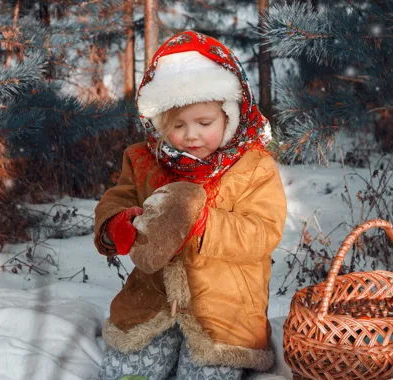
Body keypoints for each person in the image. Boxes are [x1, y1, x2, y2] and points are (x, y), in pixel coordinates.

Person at [94, 30, 287, 380]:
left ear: (229, 114)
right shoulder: (143, 160)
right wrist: (115, 223)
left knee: (207, 371)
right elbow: (118, 197)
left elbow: (263, 231)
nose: (191, 135)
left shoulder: (253, 167)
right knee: (126, 371)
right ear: (158, 124)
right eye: (177, 125)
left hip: (225, 309)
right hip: (151, 302)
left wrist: (203, 225)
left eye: (204, 123)